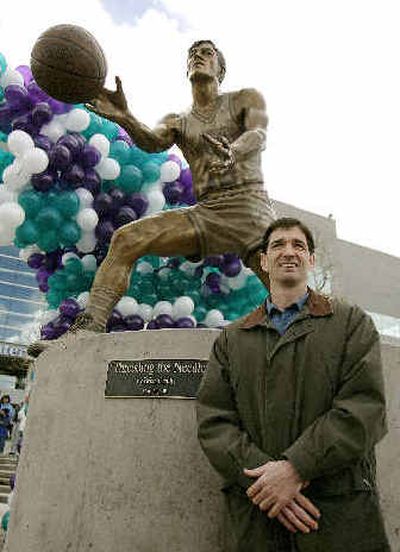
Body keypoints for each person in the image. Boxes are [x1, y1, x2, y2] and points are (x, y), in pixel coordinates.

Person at [28, 39, 275, 357]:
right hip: (207, 212)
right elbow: (152, 142)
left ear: (220, 68)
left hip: (248, 208)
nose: (198, 56)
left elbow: (258, 134)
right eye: (192, 54)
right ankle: (86, 329)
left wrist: (234, 150)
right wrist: (124, 117)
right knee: (126, 239)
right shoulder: (179, 121)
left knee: (289, 293)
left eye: (207, 52)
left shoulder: (244, 99)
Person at [197, 217, 389, 551]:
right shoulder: (233, 338)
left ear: (311, 260)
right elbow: (215, 422)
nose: (289, 252)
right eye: (278, 245)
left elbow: (363, 408)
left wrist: (295, 468)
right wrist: (267, 483)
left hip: (337, 516)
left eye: (298, 245)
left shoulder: (350, 323)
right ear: (264, 261)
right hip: (259, 518)